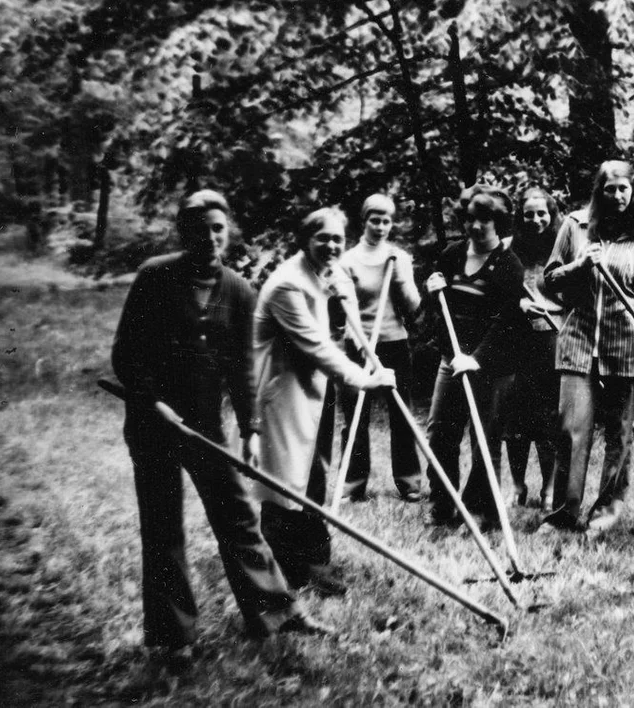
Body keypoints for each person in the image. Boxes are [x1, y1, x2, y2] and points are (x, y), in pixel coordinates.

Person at [112, 189, 333, 655]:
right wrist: (153, 403)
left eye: (218, 228)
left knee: (237, 516)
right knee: (163, 527)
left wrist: (251, 429)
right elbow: (126, 354)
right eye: (200, 229)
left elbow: (242, 368)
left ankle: (276, 612)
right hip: (153, 424)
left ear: (228, 231)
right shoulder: (155, 278)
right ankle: (174, 639)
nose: (210, 238)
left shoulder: (238, 289)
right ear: (183, 231)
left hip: (204, 426)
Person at [541, 160, 634, 534]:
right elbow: (549, 280)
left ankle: (605, 515)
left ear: (633, 191)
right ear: (600, 191)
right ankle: (563, 515)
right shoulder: (575, 226)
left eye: (624, 189)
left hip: (625, 348)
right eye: (611, 189)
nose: (618, 196)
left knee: (619, 438)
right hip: (577, 343)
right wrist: (578, 266)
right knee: (571, 431)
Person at [253, 206, 396, 596]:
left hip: (312, 389)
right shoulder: (287, 285)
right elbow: (318, 347)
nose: (332, 245)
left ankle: (316, 561)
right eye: (323, 238)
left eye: (338, 239)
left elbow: (345, 314)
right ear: (305, 239)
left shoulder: (324, 272)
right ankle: (286, 569)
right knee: (283, 481)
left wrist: (342, 288)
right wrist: (365, 381)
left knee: (314, 475)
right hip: (280, 391)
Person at [424, 185, 525, 530]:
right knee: (440, 432)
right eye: (470, 220)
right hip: (451, 359)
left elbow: (504, 320)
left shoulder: (509, 264)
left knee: (485, 437)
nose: (476, 227)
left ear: (498, 222)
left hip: (492, 365)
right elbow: (440, 312)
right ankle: (442, 506)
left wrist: (477, 357)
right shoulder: (451, 254)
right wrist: (433, 292)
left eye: (484, 220)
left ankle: (481, 510)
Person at [338, 194, 424, 503]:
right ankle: (352, 483)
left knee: (401, 415)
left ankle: (409, 482)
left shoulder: (398, 257)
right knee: (355, 417)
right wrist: (362, 345)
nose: (381, 226)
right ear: (364, 221)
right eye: (375, 220)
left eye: (387, 221)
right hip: (358, 345)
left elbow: (414, 306)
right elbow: (347, 307)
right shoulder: (347, 260)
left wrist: (401, 278)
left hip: (394, 343)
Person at [503, 186, 564, 509]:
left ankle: (550, 488)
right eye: (529, 214)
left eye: (542, 213)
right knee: (515, 416)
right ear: (520, 217)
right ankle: (516, 485)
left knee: (549, 416)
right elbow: (500, 294)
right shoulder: (509, 249)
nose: (536, 219)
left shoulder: (562, 247)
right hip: (516, 338)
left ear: (552, 215)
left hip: (552, 337)